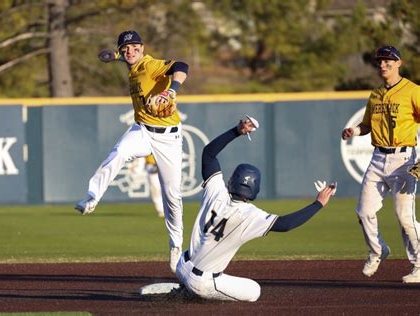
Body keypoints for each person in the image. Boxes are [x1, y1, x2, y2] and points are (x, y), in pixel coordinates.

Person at [175, 118, 336, 301]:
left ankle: (185, 287)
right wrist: (318, 204)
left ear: (231, 181)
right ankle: (191, 293)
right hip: (202, 282)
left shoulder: (216, 191)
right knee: (254, 291)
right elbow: (285, 224)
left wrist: (237, 130)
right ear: (255, 189)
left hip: (182, 264)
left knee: (207, 271)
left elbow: (208, 154)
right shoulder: (250, 215)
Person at [75, 30, 189, 273]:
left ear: (142, 47)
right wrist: (115, 56)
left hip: (168, 138)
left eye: (135, 47)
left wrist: (171, 90)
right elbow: (120, 55)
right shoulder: (130, 61)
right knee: (118, 153)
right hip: (142, 130)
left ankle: (176, 245)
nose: (130, 51)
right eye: (125, 49)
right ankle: (92, 197)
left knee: (172, 196)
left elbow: (181, 65)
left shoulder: (150, 65)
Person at [341, 45, 420, 283]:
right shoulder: (375, 94)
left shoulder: (413, 91)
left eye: (388, 61)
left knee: (404, 217)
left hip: (404, 159)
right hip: (378, 158)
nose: (383, 65)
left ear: (398, 63)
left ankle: (418, 265)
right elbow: (366, 125)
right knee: (364, 212)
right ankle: (378, 251)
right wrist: (354, 130)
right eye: (380, 61)